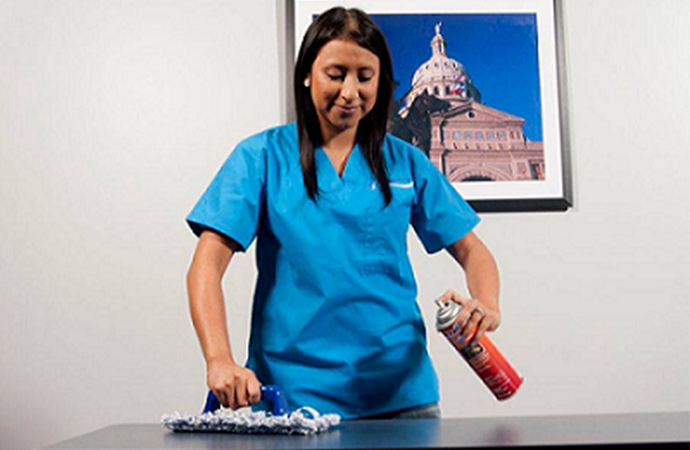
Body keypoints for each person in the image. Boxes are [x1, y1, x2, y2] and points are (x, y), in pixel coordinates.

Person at [185, 6, 501, 420]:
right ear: (307, 74)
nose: (350, 92)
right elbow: (205, 267)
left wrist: (486, 303)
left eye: (364, 77)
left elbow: (474, 251)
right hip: (291, 400)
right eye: (336, 75)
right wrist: (219, 360)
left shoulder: (406, 164)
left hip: (401, 399)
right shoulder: (261, 157)